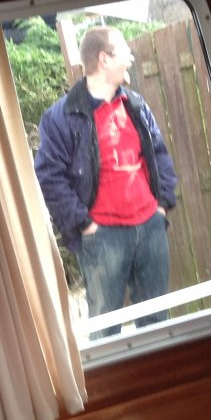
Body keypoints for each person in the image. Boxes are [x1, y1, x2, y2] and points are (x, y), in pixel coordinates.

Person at [34, 26, 178, 337]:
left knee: (157, 323)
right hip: (102, 238)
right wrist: (84, 225)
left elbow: (159, 154)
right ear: (104, 59)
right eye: (124, 51)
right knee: (105, 330)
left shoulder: (136, 105)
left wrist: (162, 206)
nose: (131, 57)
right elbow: (49, 177)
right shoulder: (61, 117)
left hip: (150, 229)